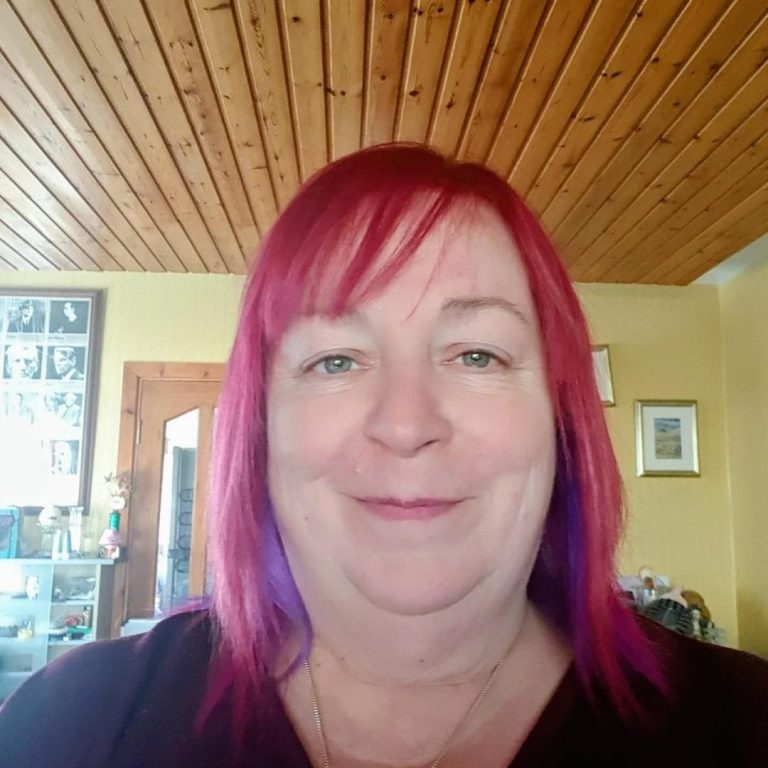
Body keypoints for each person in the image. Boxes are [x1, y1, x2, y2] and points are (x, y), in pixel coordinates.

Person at [1, 145, 766, 767]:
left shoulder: (741, 727)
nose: (406, 424)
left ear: (559, 418)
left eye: (476, 355)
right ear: (262, 426)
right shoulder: (67, 726)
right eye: (334, 360)